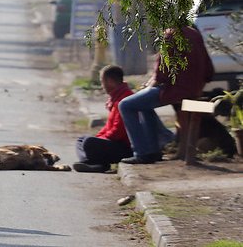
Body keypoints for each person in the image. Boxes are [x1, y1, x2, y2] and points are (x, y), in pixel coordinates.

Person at [118, 24, 215, 164]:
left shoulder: (170, 35)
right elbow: (209, 70)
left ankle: (142, 152)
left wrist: (147, 87)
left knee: (126, 105)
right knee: (143, 105)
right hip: (193, 90)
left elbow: (161, 75)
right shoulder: (195, 34)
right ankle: (152, 151)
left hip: (175, 91)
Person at [73, 65, 134, 172]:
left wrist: (100, 139)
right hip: (114, 142)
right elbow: (108, 127)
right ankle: (96, 164)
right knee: (81, 140)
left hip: (125, 147)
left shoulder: (124, 99)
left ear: (110, 81)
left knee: (88, 142)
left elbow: (118, 132)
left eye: (102, 81)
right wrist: (99, 137)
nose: (102, 86)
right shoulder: (116, 97)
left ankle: (94, 163)